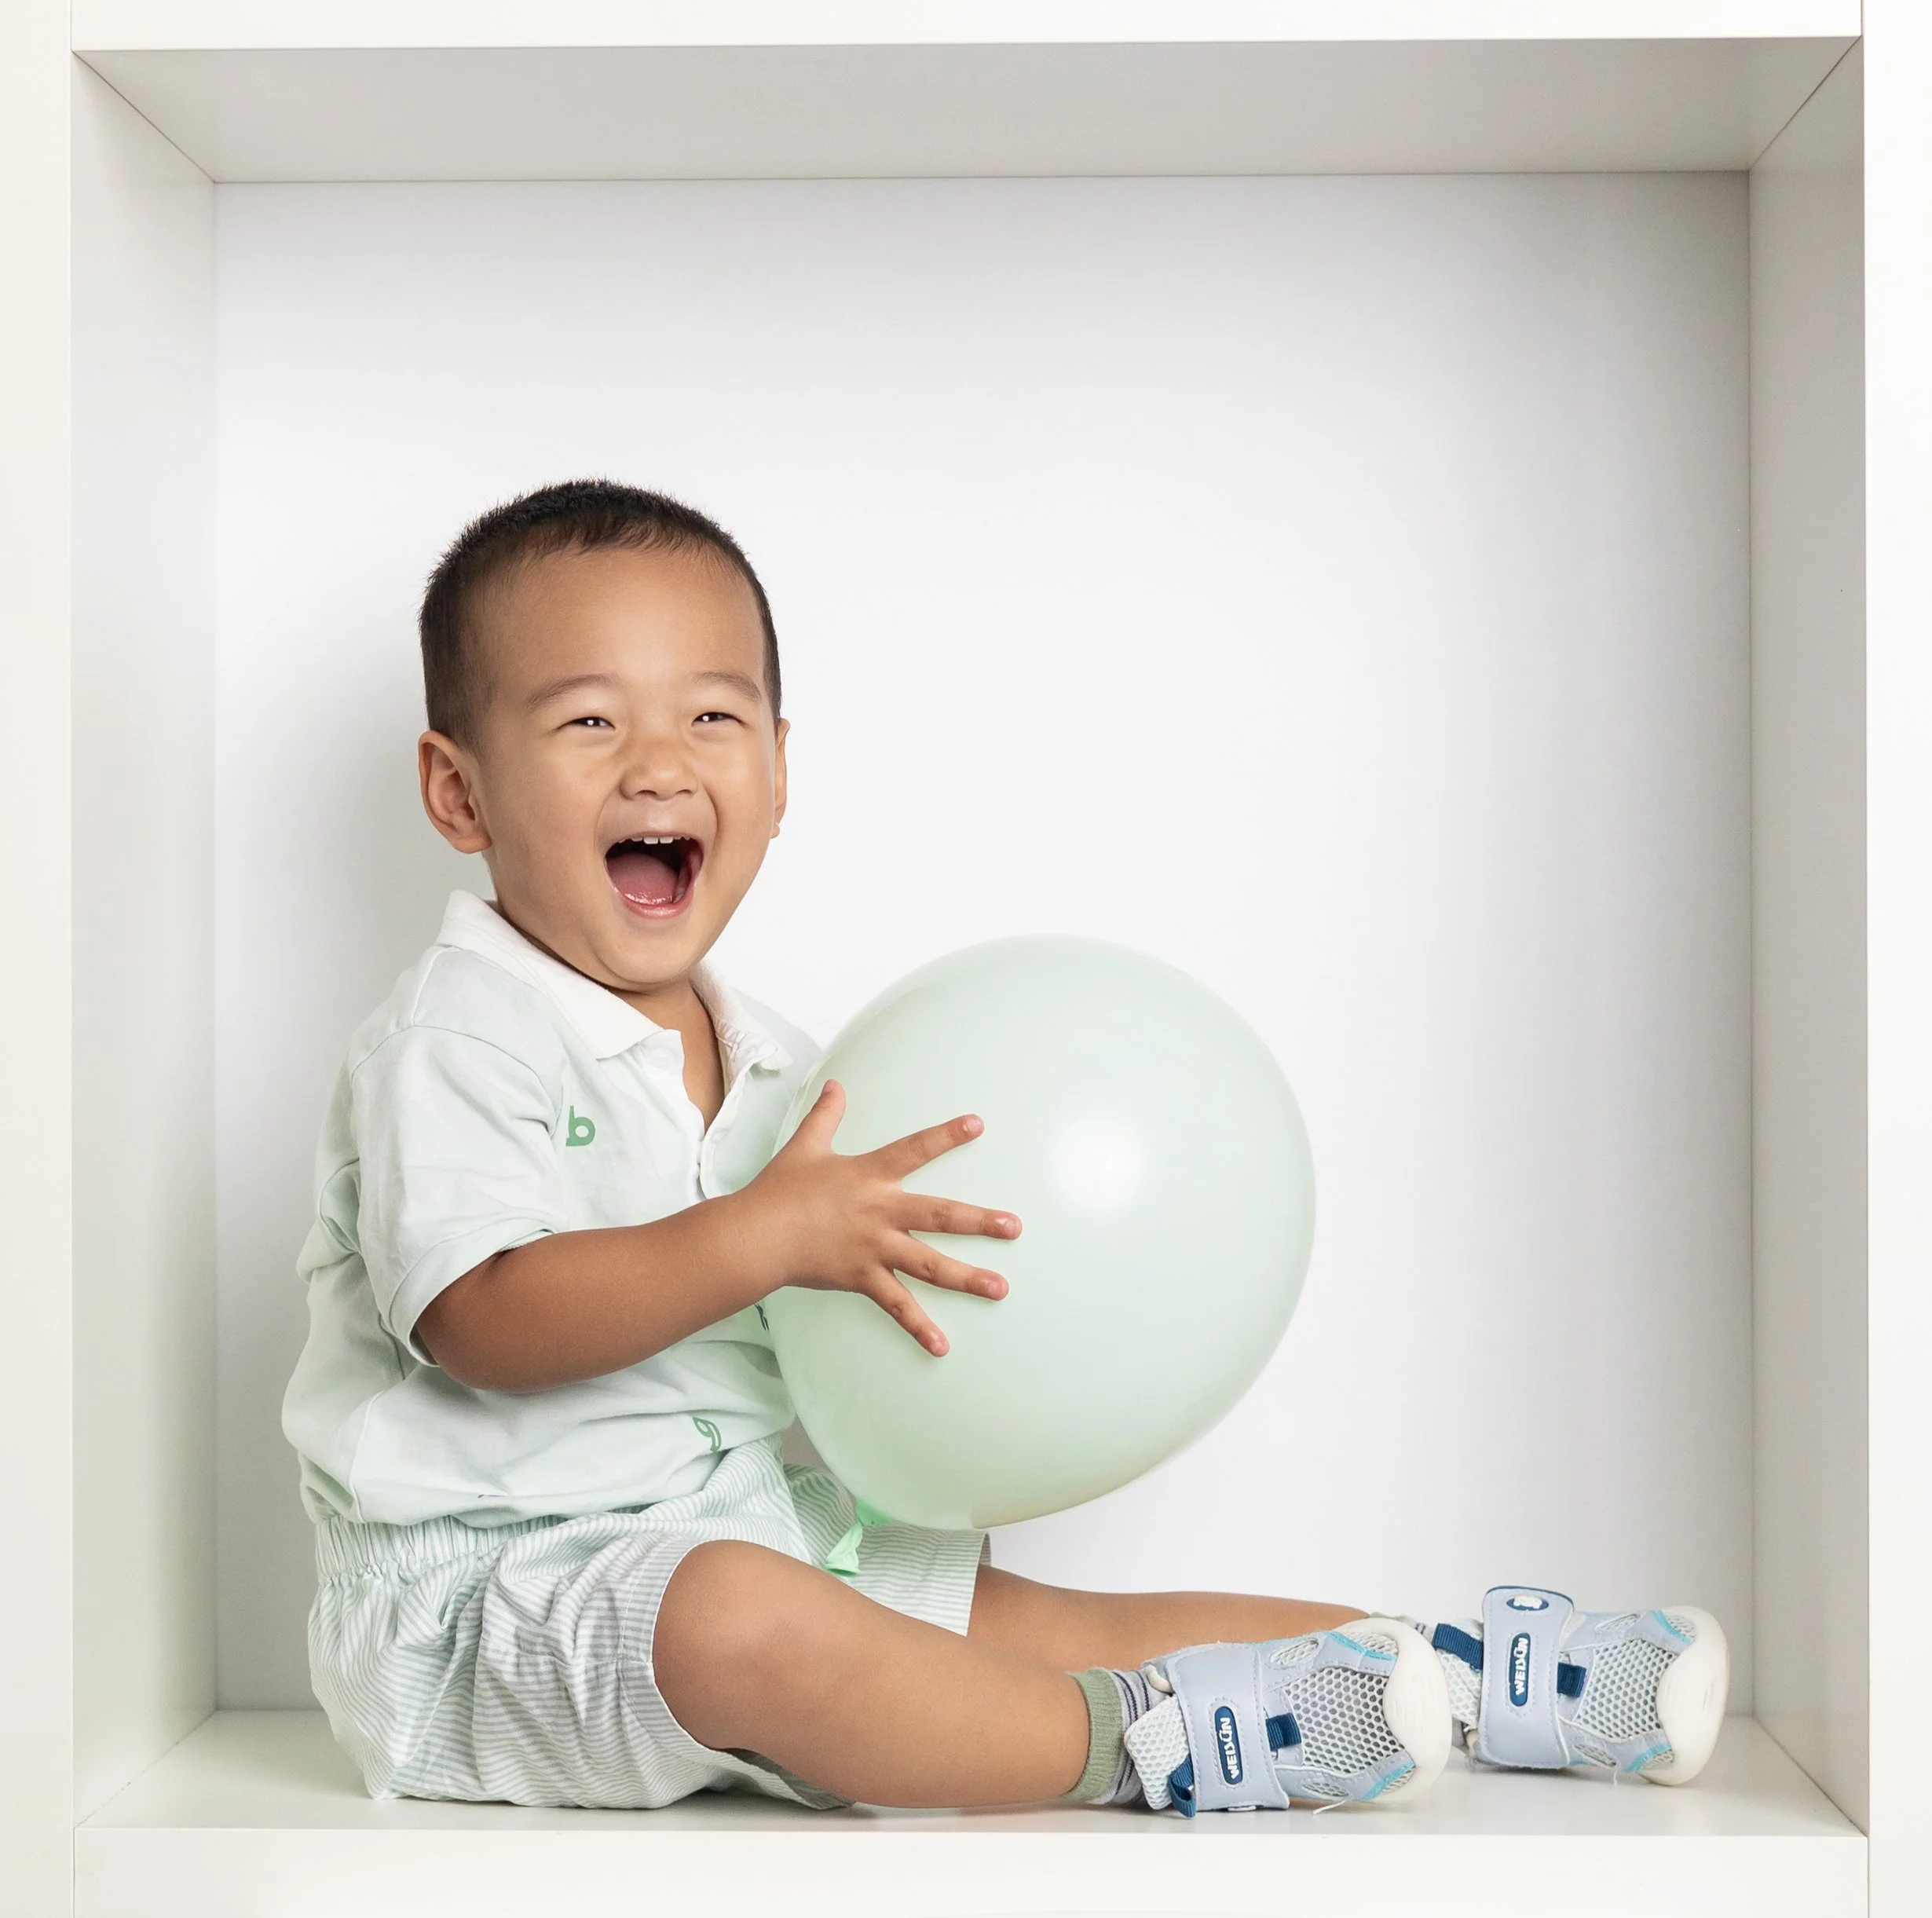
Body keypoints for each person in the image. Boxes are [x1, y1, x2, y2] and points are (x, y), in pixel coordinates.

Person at [282, 480, 1729, 1817]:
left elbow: (832, 1342)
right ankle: (1143, 1741)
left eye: (713, 720)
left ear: (780, 775)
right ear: (460, 790)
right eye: (590, 722)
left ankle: (1455, 1675)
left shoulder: (789, 1063)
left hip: (739, 1524)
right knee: (739, 1619)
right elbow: (480, 1318)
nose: (660, 762)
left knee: (1018, 1613)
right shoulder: (456, 1036)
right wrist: (771, 1238)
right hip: (494, 1599)